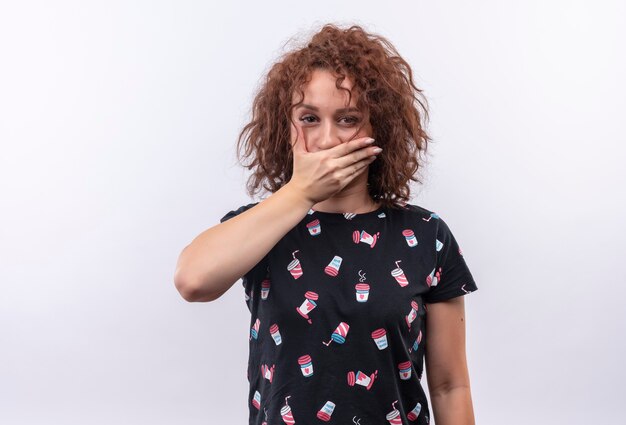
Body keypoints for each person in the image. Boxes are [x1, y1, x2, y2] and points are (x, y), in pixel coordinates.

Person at [174, 23, 478, 425]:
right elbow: (192, 281)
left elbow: (449, 385)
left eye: (348, 119)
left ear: (378, 128)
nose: (326, 139)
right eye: (309, 118)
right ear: (284, 127)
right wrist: (300, 193)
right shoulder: (261, 226)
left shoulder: (425, 235)